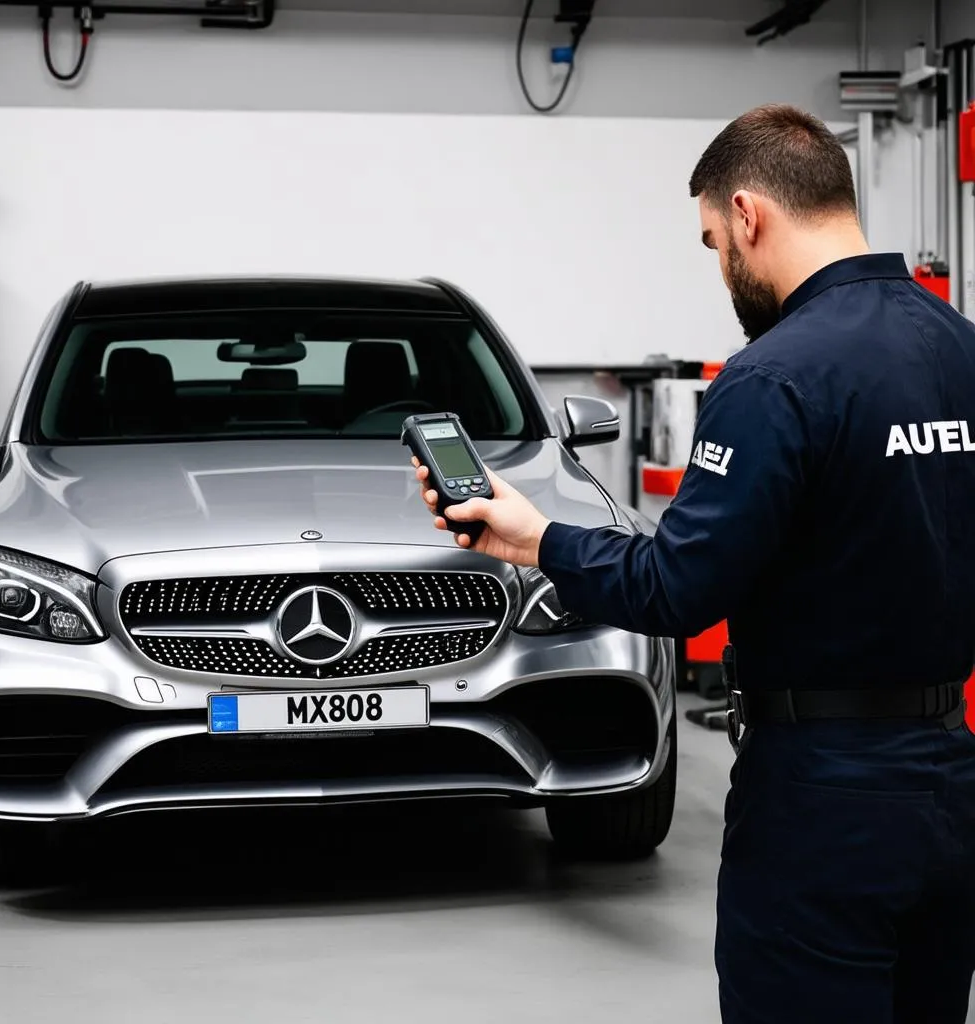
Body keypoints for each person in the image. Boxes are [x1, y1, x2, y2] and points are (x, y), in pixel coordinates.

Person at [411, 104, 975, 1024]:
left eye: (714, 242)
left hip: (821, 796)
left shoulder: (771, 379)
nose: (722, 267)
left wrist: (532, 538)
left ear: (750, 215)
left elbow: (678, 586)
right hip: (951, 783)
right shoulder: (960, 351)